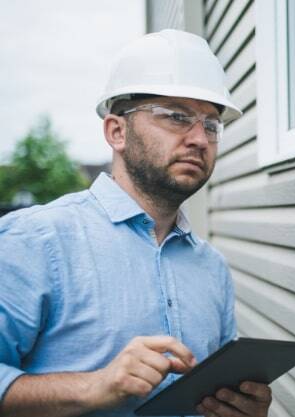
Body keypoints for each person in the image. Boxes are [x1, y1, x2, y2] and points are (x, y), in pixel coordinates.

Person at [0, 30, 271, 417]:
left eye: (211, 125)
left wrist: (240, 404)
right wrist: (92, 387)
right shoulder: (35, 241)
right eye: (177, 117)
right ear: (117, 131)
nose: (200, 139)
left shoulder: (212, 267)